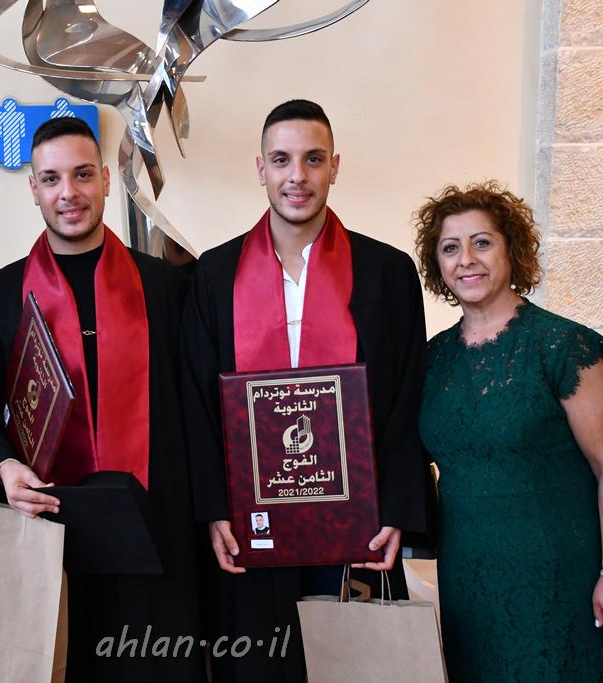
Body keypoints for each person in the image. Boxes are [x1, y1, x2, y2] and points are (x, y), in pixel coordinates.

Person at [180, 99, 434, 682]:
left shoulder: (387, 271)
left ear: (334, 167)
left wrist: (396, 507)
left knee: (355, 665)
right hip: (251, 520)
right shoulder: (215, 275)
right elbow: (197, 400)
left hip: (357, 521)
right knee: (261, 664)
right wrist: (214, 509)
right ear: (261, 169)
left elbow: (406, 396)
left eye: (313, 159)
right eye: (282, 160)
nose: (297, 176)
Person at [0, 117, 205, 683]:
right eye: (52, 178)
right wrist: (1, 466)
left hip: (157, 529)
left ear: (106, 180)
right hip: (45, 529)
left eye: (83, 175)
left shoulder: (167, 288)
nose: (69, 193)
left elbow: (200, 410)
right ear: (33, 188)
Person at [413, 181, 603, 682]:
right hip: (470, 581)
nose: (466, 259)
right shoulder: (433, 359)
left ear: (511, 249)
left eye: (482, 242)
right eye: (450, 248)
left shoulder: (564, 346)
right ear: (438, 264)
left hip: (561, 575)